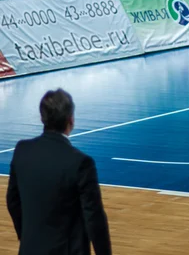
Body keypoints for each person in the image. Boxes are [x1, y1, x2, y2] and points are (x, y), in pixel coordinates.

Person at [6, 88, 112, 255]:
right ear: (71, 120)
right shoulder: (81, 163)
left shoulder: (22, 150)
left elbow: (12, 201)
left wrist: (25, 236)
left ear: (42, 118)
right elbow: (94, 218)